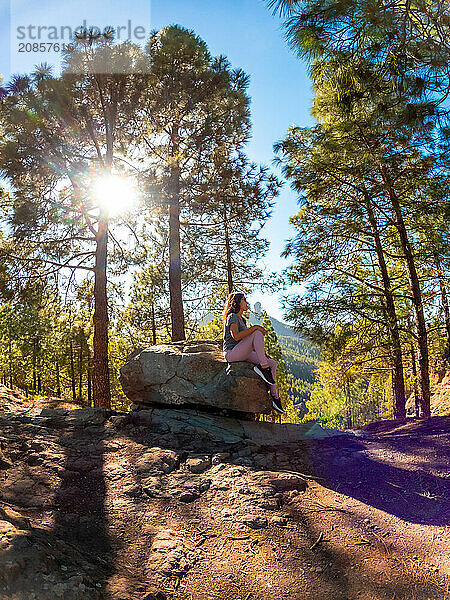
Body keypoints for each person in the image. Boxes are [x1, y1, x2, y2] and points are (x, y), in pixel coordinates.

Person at [222, 291, 284, 414]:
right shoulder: (232, 316)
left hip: (241, 352)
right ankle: (263, 368)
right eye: (244, 300)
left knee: (272, 363)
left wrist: (263, 355)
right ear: (237, 302)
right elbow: (236, 337)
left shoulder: (242, 320)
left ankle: (275, 398)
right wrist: (254, 328)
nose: (247, 302)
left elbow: (249, 343)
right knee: (256, 332)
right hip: (231, 353)